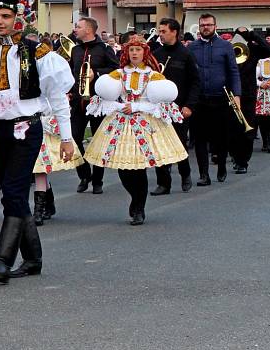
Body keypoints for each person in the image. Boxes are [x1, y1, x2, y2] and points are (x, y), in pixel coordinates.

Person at [0, 0, 75, 283]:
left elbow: (59, 97)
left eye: (5, 16)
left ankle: (2, 261)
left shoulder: (39, 53)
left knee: (14, 192)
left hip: (27, 129)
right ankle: (33, 260)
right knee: (12, 197)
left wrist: (67, 137)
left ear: (20, 19)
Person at [84, 38, 187, 225]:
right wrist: (119, 105)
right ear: (126, 53)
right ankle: (135, 197)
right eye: (131, 50)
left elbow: (160, 101)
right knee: (124, 169)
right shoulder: (118, 74)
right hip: (121, 122)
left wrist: (137, 106)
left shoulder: (154, 75)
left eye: (138, 50)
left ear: (144, 53)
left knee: (139, 167)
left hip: (146, 123)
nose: (134, 53)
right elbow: (105, 95)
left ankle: (139, 207)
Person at [188, 13, 241, 186]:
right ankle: (204, 174)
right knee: (200, 138)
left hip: (220, 98)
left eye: (209, 25)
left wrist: (237, 95)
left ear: (215, 26)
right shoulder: (192, 47)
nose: (206, 27)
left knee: (221, 137)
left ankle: (222, 167)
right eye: (203, 25)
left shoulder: (225, 46)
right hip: (199, 100)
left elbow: (233, 72)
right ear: (199, 26)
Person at [68, 17, 119, 194]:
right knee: (74, 138)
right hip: (78, 101)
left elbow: (116, 69)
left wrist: (96, 73)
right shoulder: (74, 50)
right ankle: (84, 174)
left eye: (78, 26)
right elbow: (70, 72)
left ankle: (98, 180)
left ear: (89, 30)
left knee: (99, 141)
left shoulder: (104, 49)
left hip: (98, 101)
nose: (75, 29)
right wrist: (68, 90)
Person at [150, 18, 199, 194]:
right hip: (158, 108)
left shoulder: (186, 54)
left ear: (174, 32)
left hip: (179, 108)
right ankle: (163, 183)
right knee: (158, 144)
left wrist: (189, 106)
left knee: (178, 143)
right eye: (159, 31)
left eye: (163, 31)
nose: (160, 34)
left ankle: (185, 173)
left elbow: (195, 82)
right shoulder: (156, 53)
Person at [228, 27, 270, 173]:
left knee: (248, 129)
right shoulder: (229, 48)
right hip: (231, 93)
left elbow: (269, 50)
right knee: (233, 128)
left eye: (244, 35)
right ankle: (235, 156)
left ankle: (243, 162)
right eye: (239, 35)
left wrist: (254, 35)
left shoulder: (253, 49)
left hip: (248, 93)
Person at [31, 114, 83, 225]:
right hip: (31, 132)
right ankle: (48, 205)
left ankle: (38, 211)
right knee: (39, 170)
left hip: (47, 132)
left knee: (40, 170)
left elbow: (59, 107)